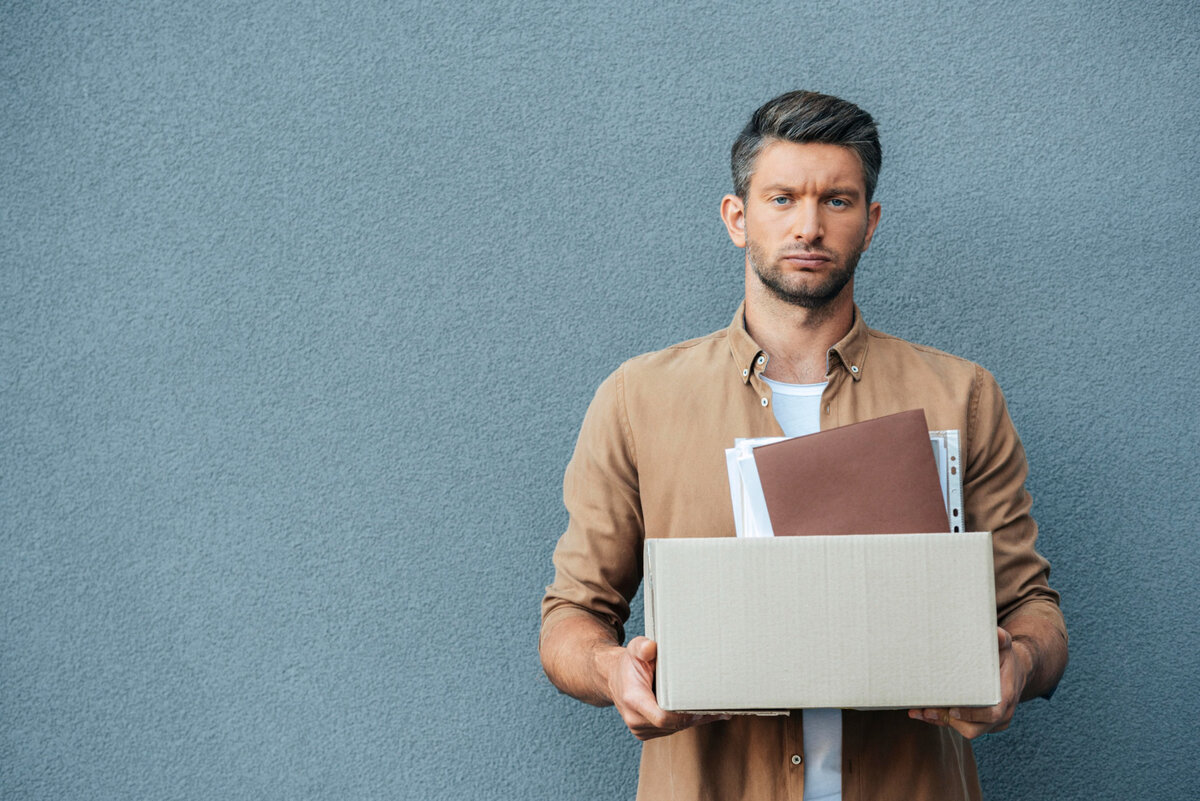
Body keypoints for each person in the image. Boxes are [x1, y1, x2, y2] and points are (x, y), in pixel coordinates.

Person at [539, 90, 1068, 801]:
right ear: (737, 217)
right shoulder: (638, 399)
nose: (810, 225)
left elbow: (1034, 610)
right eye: (782, 198)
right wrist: (613, 671)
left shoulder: (961, 395)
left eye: (838, 201)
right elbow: (571, 614)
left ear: (871, 222)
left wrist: (1019, 664)